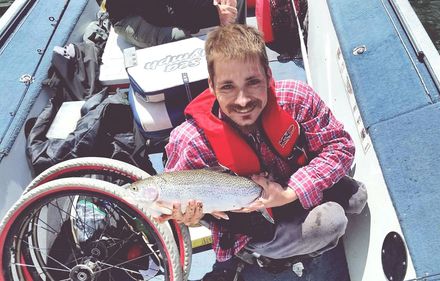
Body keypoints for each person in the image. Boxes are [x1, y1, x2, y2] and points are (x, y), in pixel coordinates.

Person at [164, 24, 367, 280]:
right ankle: (262, 255)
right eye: (227, 87)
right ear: (212, 86)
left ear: (269, 76)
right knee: (331, 222)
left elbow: (340, 147)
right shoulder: (190, 140)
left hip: (289, 187)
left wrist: (291, 192)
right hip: (247, 221)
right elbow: (178, 198)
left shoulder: (297, 98)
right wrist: (189, 217)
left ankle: (294, 230)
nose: (242, 100)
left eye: (253, 82)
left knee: (357, 197)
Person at [103, 0, 246, 48]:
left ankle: (243, 46)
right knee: (180, 37)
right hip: (132, 16)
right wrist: (213, 15)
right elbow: (157, 16)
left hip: (163, 6)